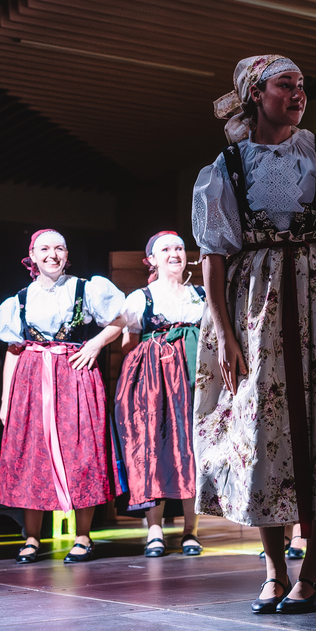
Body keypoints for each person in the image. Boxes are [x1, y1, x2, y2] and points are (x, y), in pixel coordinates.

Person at [192, 54, 316, 614]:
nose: (298, 93)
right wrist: (225, 334)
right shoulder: (227, 166)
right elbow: (213, 255)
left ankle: (315, 569)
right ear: (256, 94)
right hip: (256, 305)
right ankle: (274, 569)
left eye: (302, 85)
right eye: (286, 84)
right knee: (262, 431)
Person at [0, 229, 126, 565]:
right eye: (45, 249)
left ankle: (83, 536)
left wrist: (95, 344)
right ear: (32, 257)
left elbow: (121, 318)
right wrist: (7, 400)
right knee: (32, 455)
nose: (52, 254)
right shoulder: (20, 300)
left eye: (59, 248)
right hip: (32, 380)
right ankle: (32, 537)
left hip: (75, 376)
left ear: (67, 254)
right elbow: (13, 349)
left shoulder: (85, 289)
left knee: (82, 453)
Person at [115, 231, 206, 557]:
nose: (174, 253)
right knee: (151, 447)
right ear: (152, 259)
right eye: (165, 249)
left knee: (191, 449)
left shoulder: (200, 294)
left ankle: (190, 531)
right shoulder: (142, 298)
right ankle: (154, 530)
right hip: (153, 380)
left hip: (192, 377)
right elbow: (128, 343)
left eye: (179, 248)